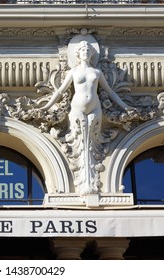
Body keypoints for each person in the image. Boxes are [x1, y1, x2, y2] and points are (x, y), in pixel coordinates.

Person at [40, 40, 133, 195]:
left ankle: (91, 176)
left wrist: (125, 106)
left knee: (92, 141)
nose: (86, 53)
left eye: (88, 51)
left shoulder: (97, 72)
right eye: (83, 50)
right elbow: (60, 91)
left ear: (91, 54)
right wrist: (46, 106)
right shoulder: (74, 72)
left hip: (95, 108)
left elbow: (110, 92)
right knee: (81, 138)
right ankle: (84, 179)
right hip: (77, 108)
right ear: (77, 54)